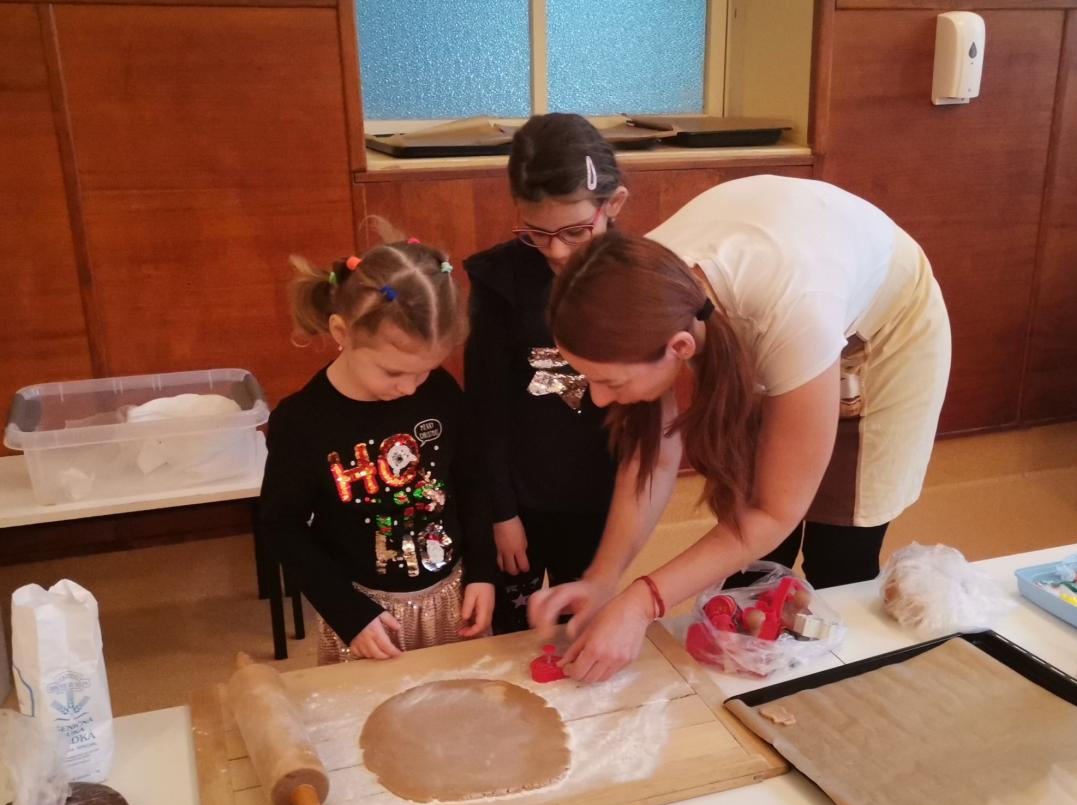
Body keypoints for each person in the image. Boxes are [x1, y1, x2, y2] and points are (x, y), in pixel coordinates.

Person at [530, 175, 952, 682]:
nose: (597, 399)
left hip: (884, 331)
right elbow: (653, 456)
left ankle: (836, 688)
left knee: (839, 550)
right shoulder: (643, 296)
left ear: (680, 348)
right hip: (789, 296)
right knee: (752, 559)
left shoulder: (792, 313)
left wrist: (642, 603)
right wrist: (603, 579)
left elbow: (776, 509)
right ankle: (756, 668)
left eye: (609, 382)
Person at [262, 231, 496, 663]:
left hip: (451, 595)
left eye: (424, 371)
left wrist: (483, 571)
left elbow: (472, 481)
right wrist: (348, 614)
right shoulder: (301, 421)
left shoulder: (440, 390)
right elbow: (282, 527)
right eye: (392, 372)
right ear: (342, 332)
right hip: (367, 616)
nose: (410, 388)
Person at [463, 114, 624, 633]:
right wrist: (502, 514)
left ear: (613, 205)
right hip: (520, 502)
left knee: (584, 626)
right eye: (537, 233)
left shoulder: (634, 278)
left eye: (575, 232)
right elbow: (485, 409)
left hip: (600, 497)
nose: (556, 250)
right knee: (514, 634)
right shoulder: (499, 281)